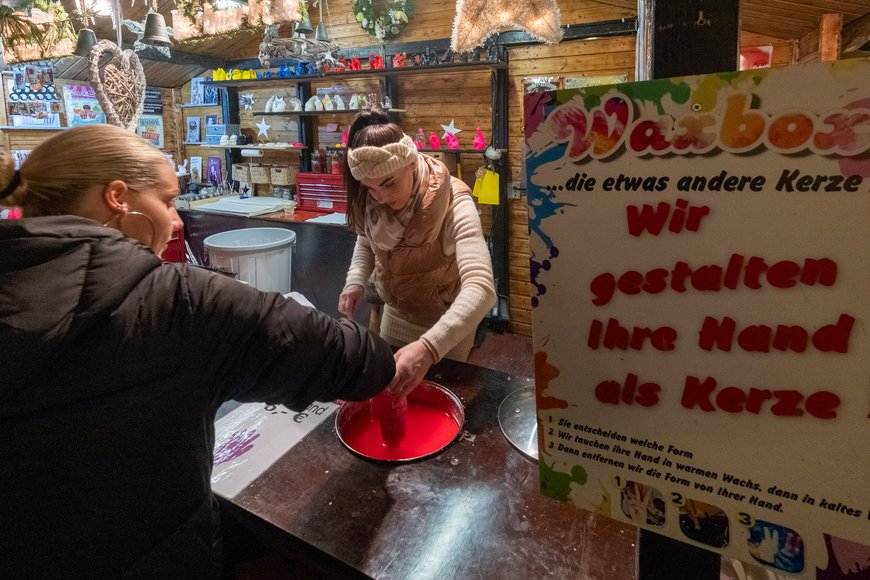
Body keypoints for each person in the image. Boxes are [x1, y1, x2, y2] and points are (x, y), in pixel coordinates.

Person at [0, 124, 395, 578]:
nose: (177, 220)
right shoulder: (177, 300)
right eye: (167, 201)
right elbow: (359, 361)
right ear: (116, 197)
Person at [338, 109, 496, 398]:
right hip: (394, 315)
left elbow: (482, 288)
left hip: (446, 328)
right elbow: (366, 240)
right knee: (392, 397)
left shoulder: (454, 201)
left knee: (438, 402)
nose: (381, 197)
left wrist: (429, 347)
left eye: (389, 183)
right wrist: (356, 280)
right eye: (370, 188)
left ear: (410, 162)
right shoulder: (372, 200)